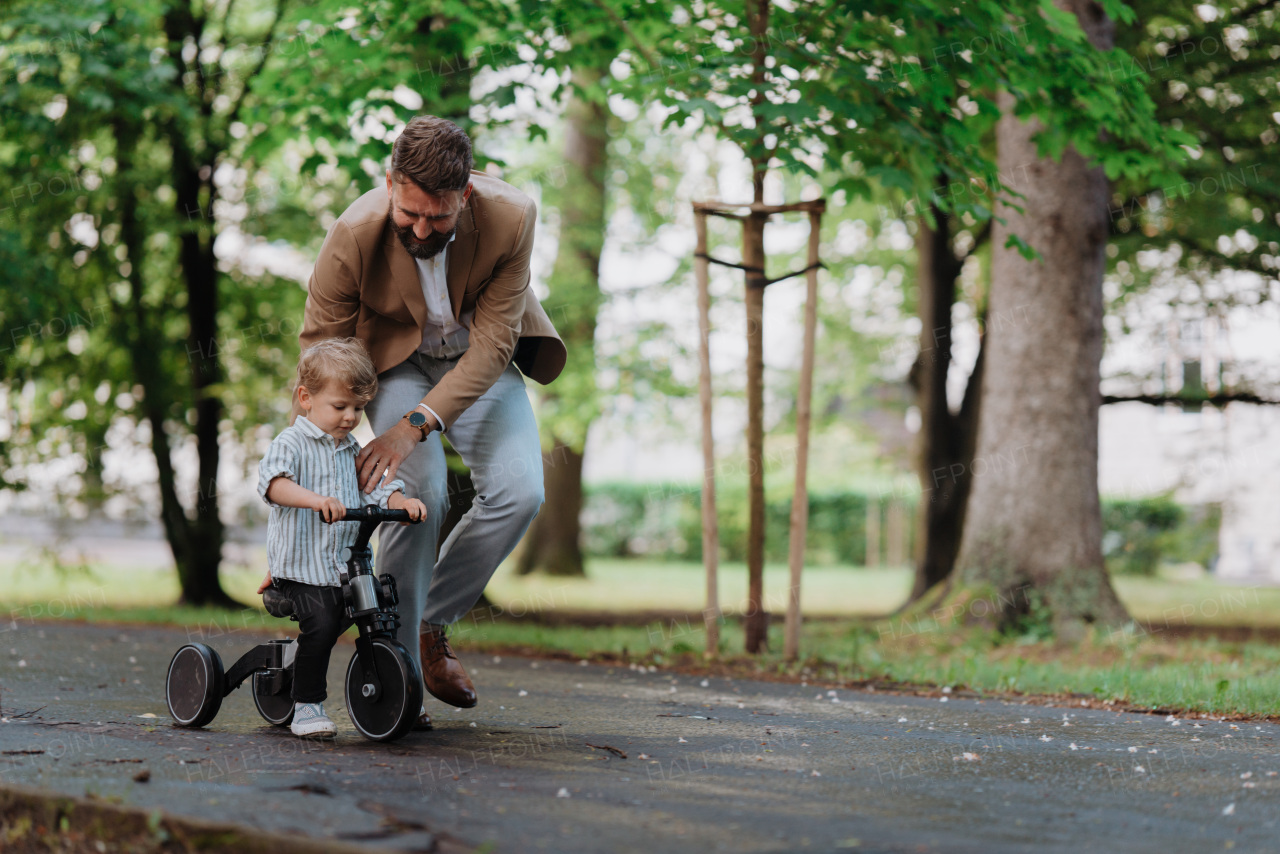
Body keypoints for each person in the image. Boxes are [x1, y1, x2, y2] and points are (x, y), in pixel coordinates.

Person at [294, 115, 565, 730]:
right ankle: (397, 672)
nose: (421, 230)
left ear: (465, 194)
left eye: (437, 219)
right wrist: (315, 472)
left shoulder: (512, 217)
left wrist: (413, 426)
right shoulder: (354, 234)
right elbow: (321, 355)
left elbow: (495, 344)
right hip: (392, 367)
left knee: (522, 491)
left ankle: (425, 626)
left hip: (478, 364)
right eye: (408, 214)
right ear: (390, 183)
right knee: (418, 494)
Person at [258, 338, 428, 738]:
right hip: (301, 572)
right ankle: (306, 707)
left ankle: (392, 686)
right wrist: (316, 501)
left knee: (377, 609)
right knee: (321, 623)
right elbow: (273, 485)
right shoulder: (291, 444)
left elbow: (375, 488)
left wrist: (401, 501)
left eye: (358, 408)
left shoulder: (349, 448)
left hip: (342, 570)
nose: (351, 417)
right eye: (340, 407)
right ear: (306, 398)